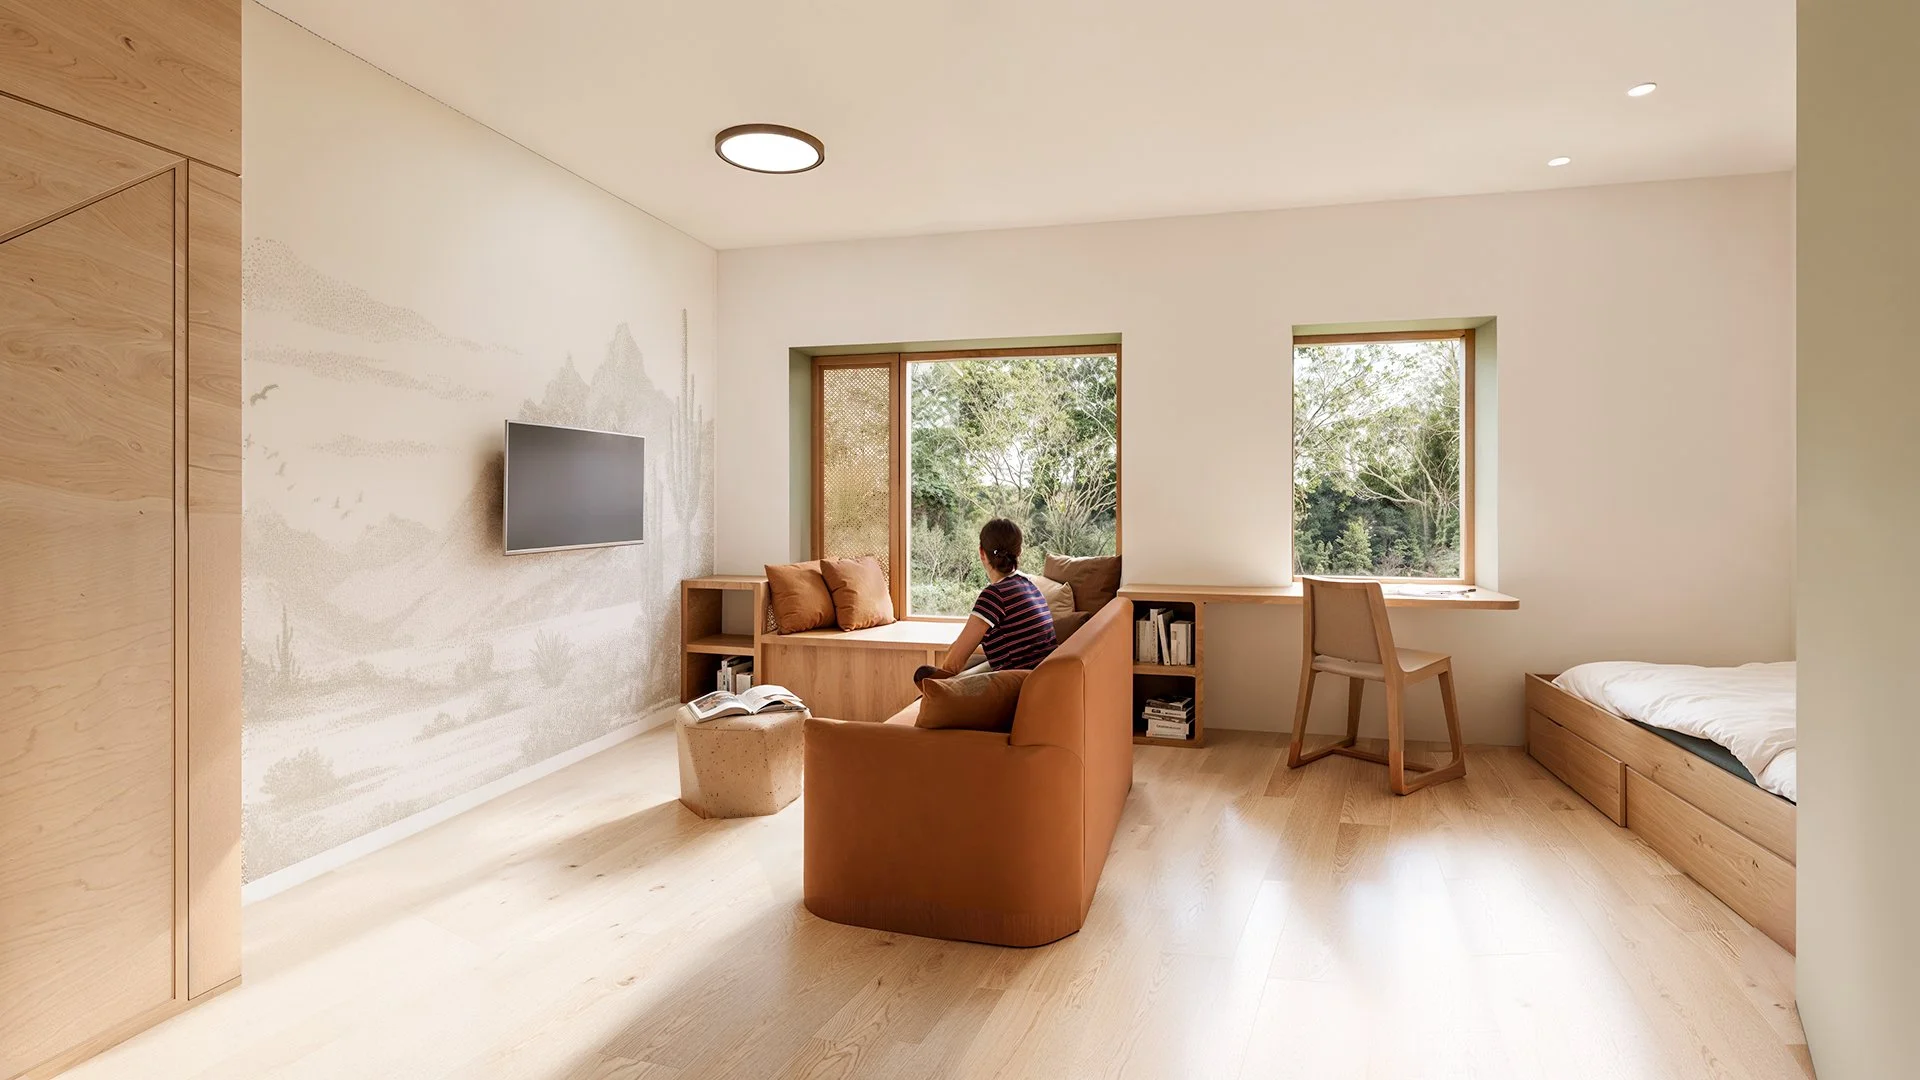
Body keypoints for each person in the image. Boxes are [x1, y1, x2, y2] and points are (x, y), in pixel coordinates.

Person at [917, 518, 1057, 685]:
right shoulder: (1029, 586)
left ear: (982, 553)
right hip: (1042, 680)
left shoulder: (994, 595)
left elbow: (952, 665)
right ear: (1019, 551)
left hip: (1017, 688)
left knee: (922, 676)